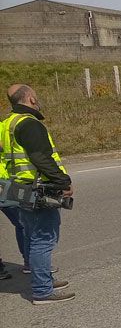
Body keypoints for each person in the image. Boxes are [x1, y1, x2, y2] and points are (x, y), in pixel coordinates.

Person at [4, 85, 73, 304]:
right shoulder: (29, 124)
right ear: (31, 99)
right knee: (43, 239)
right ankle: (43, 290)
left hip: (18, 187)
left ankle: (43, 280)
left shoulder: (6, 124)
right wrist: (63, 182)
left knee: (32, 235)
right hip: (37, 188)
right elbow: (41, 158)